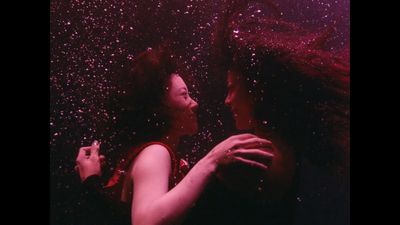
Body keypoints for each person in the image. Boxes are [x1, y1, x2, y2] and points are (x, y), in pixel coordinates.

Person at [182, 1, 349, 225]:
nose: (227, 100)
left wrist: (209, 163)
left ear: (255, 92)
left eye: (232, 89)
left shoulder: (248, 155)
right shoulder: (284, 148)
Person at [75, 46, 275, 225]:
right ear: (160, 108)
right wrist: (211, 160)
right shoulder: (156, 152)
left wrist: (91, 183)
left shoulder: (153, 155)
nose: (195, 103)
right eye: (184, 95)